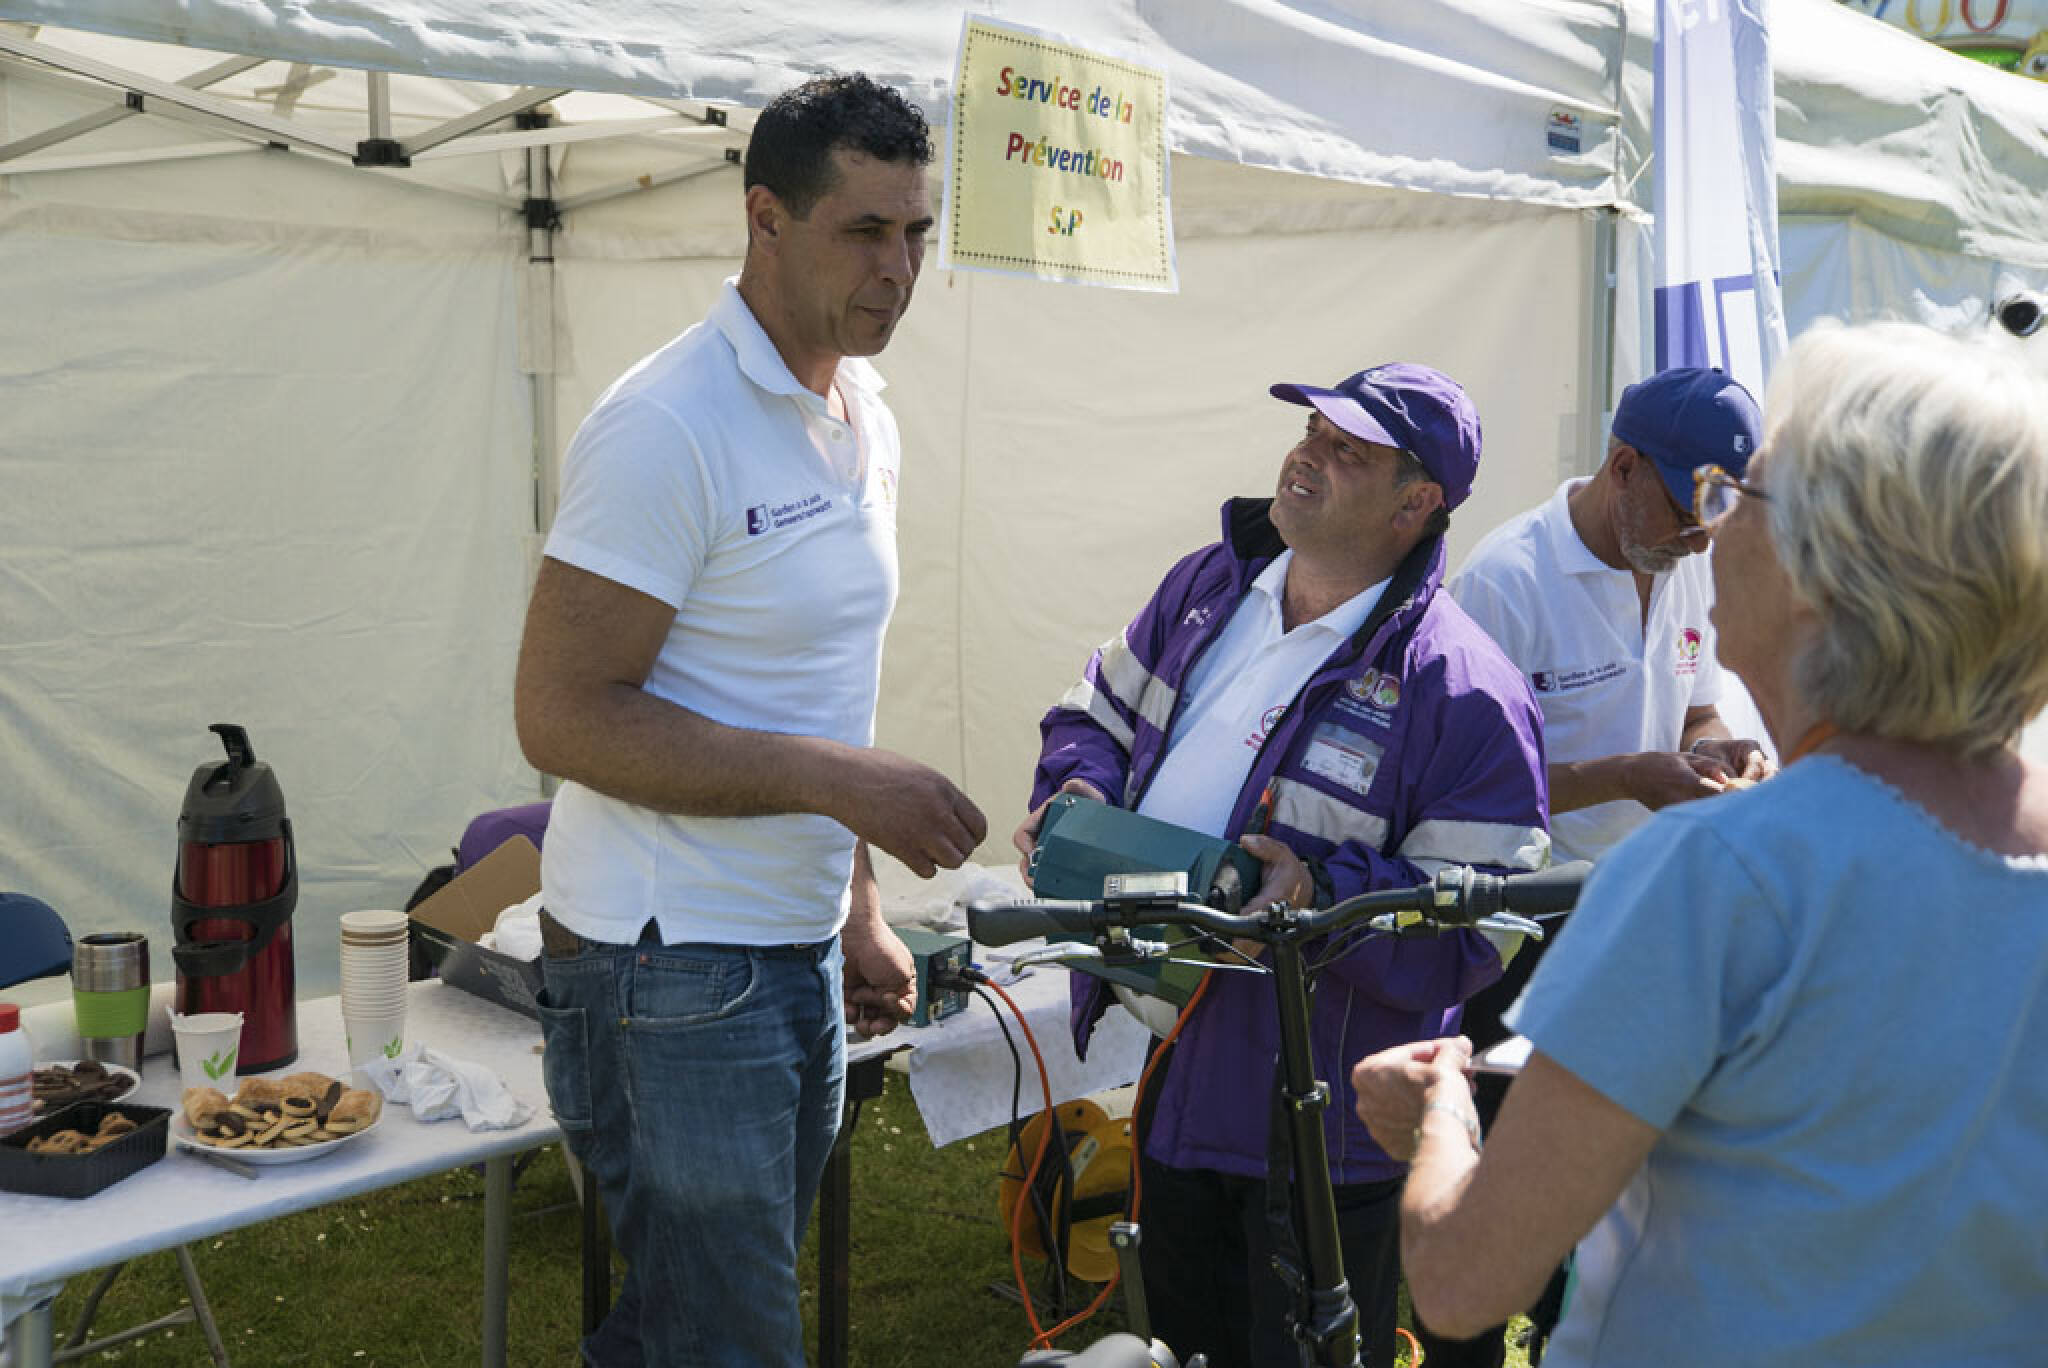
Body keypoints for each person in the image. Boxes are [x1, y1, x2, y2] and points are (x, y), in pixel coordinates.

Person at [1352, 319, 2048, 1366]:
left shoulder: (1712, 878)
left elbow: (1459, 1280)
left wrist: (1440, 1116)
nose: (1715, 529)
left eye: (1744, 496)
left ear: (1826, 574)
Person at [512, 74, 987, 1367]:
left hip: (787, 948)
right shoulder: (668, 423)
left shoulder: (860, 410)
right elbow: (559, 718)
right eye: (864, 231)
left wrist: (856, 906)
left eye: (916, 233)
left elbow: (809, 686)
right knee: (729, 1341)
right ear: (764, 219)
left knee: (689, 1327)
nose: (898, 269)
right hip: (665, 966)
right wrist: (838, 783)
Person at [1013, 364, 1550, 1368]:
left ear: (1415, 503)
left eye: (1348, 451)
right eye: (1310, 432)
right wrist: (1076, 791)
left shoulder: (1466, 689)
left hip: (1322, 1126)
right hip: (1173, 1077)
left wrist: (1321, 893)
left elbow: (1483, 926)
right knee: (1177, 1346)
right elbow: (1094, 714)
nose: (1306, 456)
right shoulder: (1204, 587)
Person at [1425, 366, 1771, 1365]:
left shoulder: (1684, 556)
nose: (1700, 539)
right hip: (1517, 924)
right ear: (1623, 467)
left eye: (1716, 516)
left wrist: (1714, 749)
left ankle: (1566, 1336)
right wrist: (1627, 775)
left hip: (1630, 909)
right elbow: (1458, 786)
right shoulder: (1504, 580)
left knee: (1609, 1162)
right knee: (1499, 1164)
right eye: (1687, 512)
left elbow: (1694, 705)